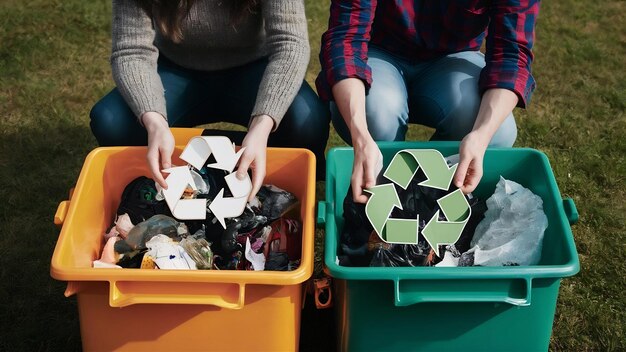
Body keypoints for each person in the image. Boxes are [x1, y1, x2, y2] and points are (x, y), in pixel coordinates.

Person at [91, 0, 329, 200]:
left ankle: (286, 175)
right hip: (175, 68)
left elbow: (290, 43)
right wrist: (155, 122)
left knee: (307, 122)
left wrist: (262, 125)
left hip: (254, 67)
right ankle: (156, 175)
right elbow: (131, 50)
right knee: (112, 122)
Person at [317, 0, 540, 203]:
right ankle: (380, 200)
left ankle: (430, 200)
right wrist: (361, 136)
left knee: (497, 131)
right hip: (378, 52)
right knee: (376, 113)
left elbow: (511, 53)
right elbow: (345, 39)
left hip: (452, 59)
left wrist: (481, 135)